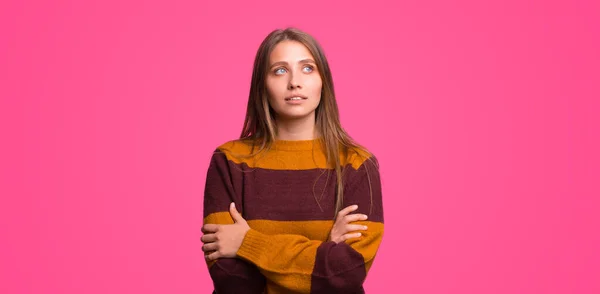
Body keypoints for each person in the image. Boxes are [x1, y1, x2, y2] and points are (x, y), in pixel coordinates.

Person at [200, 27, 384, 294]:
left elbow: (346, 273)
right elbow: (231, 279)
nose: (295, 82)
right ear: (262, 83)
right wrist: (324, 252)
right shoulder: (229, 161)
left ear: (324, 81)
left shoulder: (357, 164)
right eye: (280, 70)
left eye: (308, 68)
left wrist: (247, 243)